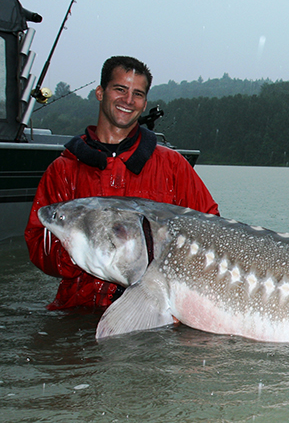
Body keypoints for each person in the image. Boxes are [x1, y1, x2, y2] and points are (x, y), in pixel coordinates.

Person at [25, 55, 219, 310]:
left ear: (144, 103)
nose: (128, 100)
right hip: (79, 308)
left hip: (154, 309)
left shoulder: (173, 166)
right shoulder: (63, 169)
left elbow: (213, 232)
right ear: (99, 92)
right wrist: (80, 251)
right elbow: (37, 241)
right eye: (120, 89)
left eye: (137, 94)